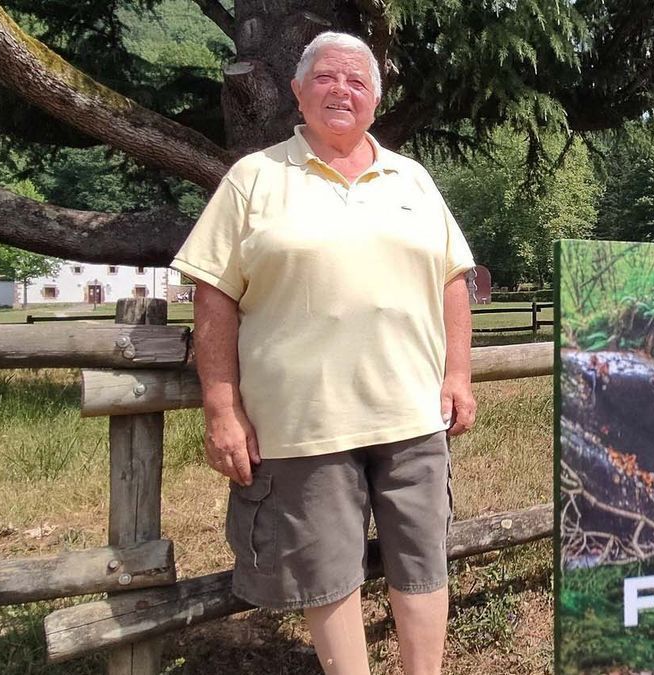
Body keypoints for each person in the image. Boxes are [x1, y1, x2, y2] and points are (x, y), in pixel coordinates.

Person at [170, 31, 476, 675]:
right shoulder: (254, 178)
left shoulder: (413, 179)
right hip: (304, 423)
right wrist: (222, 409)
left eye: (357, 81)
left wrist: (458, 373)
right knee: (326, 573)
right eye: (327, 78)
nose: (342, 90)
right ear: (297, 92)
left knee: (422, 563)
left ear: (376, 99)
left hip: (414, 415)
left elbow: (454, 278)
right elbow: (213, 294)